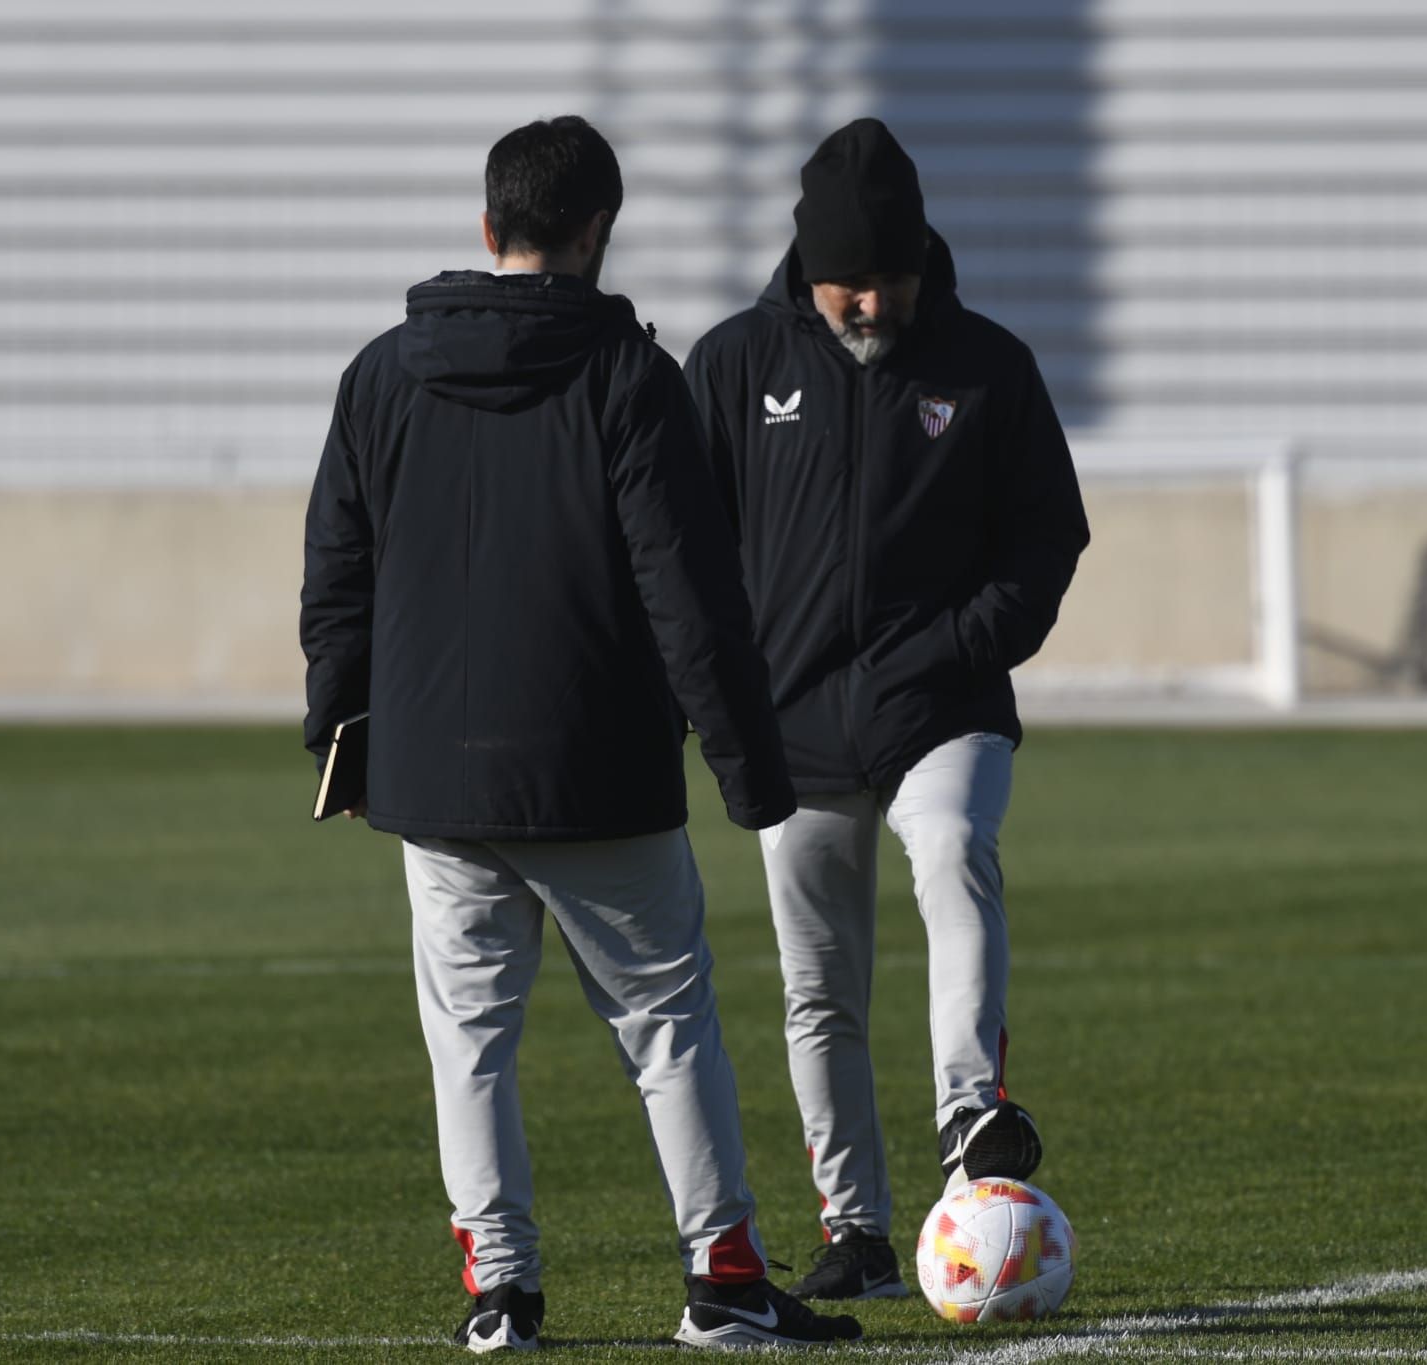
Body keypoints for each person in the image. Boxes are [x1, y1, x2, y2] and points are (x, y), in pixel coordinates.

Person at [299, 115, 860, 1352]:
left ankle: (499, 1293)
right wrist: (746, 764)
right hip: (597, 769)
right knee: (666, 1030)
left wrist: (338, 728)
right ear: (598, 230)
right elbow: (688, 593)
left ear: (487, 225)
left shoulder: (383, 373)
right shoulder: (627, 376)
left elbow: (336, 571)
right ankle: (720, 1280)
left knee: (471, 1046)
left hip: (433, 778)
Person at [683, 118, 1091, 1301]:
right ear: (803, 266)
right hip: (788, 729)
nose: (870, 302)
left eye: (890, 278)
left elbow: (1043, 545)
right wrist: (714, 701)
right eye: (848, 281)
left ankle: (971, 1115)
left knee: (955, 849)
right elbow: (684, 554)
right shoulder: (730, 366)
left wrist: (951, 652)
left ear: (923, 260)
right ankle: (855, 1231)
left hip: (942, 710)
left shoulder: (988, 366)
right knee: (819, 989)